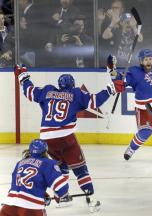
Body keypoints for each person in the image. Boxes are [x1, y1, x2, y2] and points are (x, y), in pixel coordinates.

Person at [14, 64, 125, 212]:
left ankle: (62, 197)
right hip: (66, 138)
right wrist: (111, 89)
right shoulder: (76, 94)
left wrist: (23, 77)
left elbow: (29, 92)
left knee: (60, 166)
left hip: (47, 139)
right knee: (80, 170)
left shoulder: (48, 91)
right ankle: (91, 199)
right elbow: (95, 101)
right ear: (72, 85)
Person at [0, 139, 70, 216]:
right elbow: (62, 188)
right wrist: (57, 196)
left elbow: (21, 186)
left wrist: (42, 195)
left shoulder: (19, 163)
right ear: (45, 152)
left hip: (8, 207)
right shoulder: (48, 163)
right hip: (30, 209)